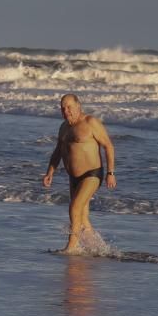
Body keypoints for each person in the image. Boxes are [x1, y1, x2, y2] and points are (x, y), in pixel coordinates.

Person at [42, 93, 116, 254]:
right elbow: (58, 152)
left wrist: (110, 172)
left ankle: (71, 247)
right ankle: (97, 248)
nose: (66, 111)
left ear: (78, 106)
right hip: (73, 177)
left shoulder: (90, 122)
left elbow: (108, 146)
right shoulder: (63, 127)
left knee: (74, 208)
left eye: (69, 107)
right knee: (82, 217)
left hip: (92, 174)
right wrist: (50, 172)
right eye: (63, 108)